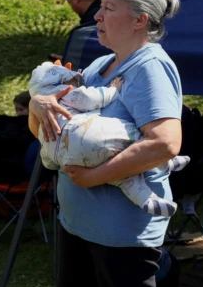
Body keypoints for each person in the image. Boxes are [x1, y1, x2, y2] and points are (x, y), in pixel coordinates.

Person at [28, 0, 181, 287]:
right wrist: (36, 104)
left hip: (121, 232)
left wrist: (95, 176)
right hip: (79, 222)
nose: (96, 15)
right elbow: (48, 127)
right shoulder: (101, 66)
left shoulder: (151, 67)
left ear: (139, 20)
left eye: (108, 8)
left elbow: (166, 142)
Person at [28, 60, 189, 217]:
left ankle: (144, 198)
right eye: (73, 77)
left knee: (122, 180)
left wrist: (56, 162)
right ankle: (162, 162)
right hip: (88, 139)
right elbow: (90, 99)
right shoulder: (66, 92)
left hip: (67, 158)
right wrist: (113, 89)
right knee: (128, 133)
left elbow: (42, 141)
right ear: (61, 81)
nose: (79, 80)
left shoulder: (152, 64)